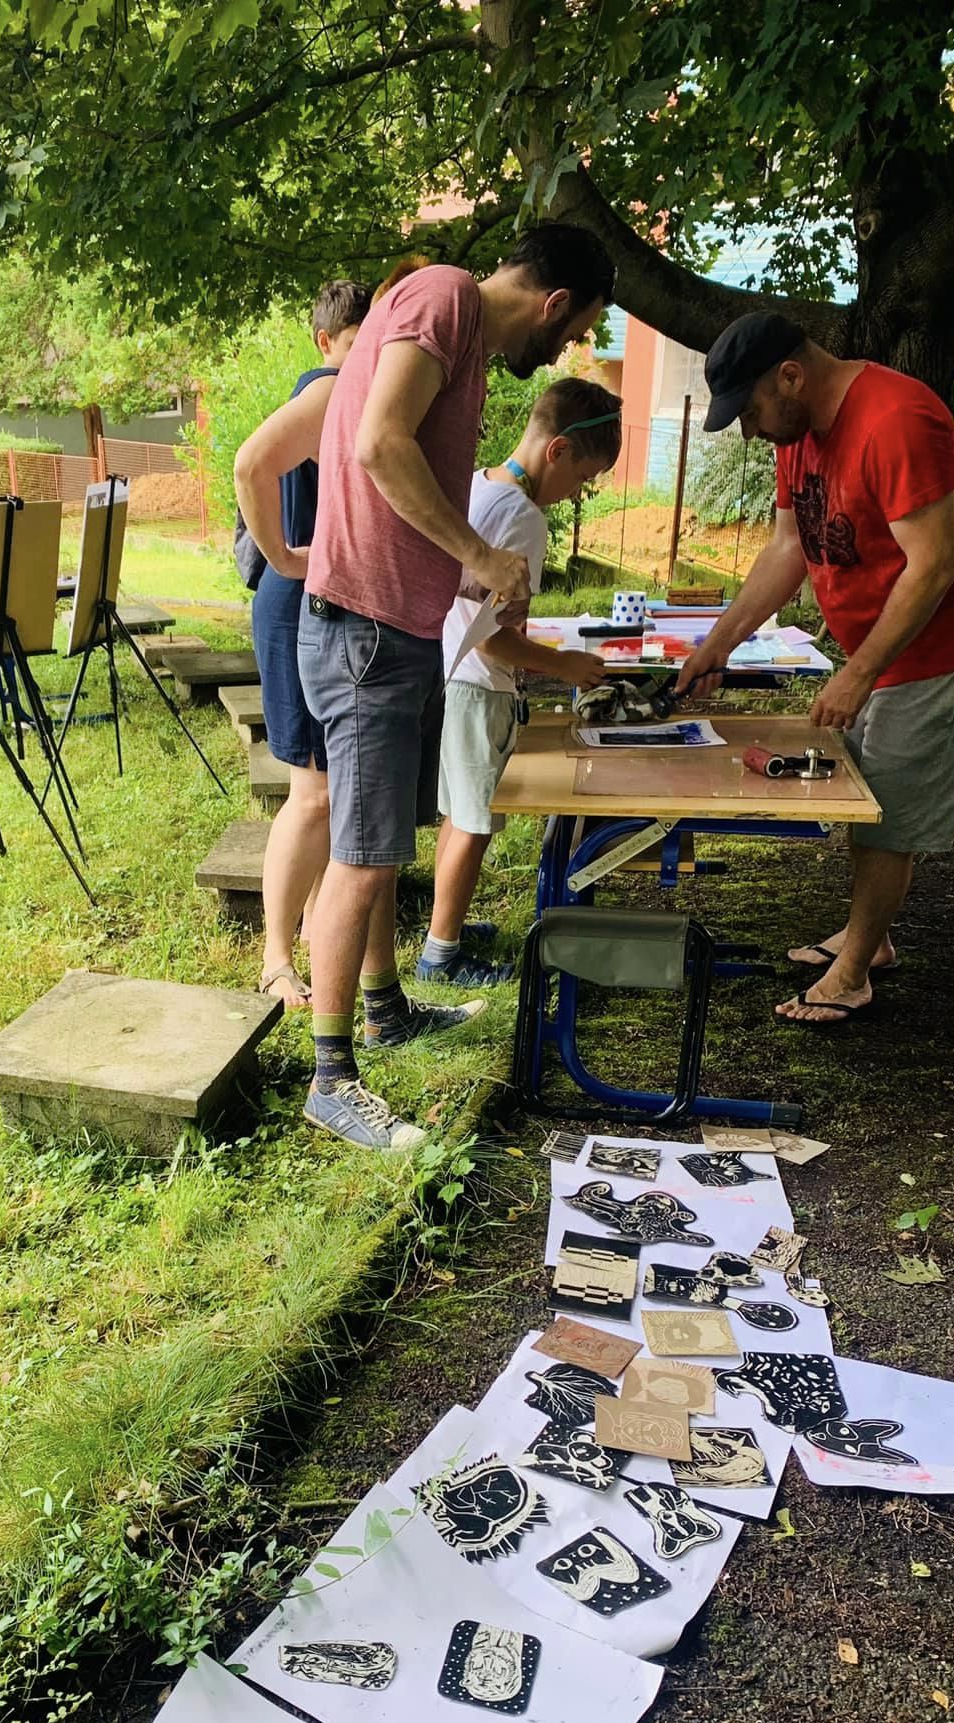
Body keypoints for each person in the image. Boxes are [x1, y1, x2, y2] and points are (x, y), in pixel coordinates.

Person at [298, 221, 616, 1149]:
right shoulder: (443, 295)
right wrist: (478, 553)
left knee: (381, 844)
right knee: (361, 858)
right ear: (554, 303)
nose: (561, 350)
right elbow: (378, 443)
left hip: (396, 626)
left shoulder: (460, 334)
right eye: (572, 332)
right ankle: (330, 1079)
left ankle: (386, 1010)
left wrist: (460, 571)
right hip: (365, 628)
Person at [679, 313, 954, 1027]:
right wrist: (718, 643)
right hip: (881, 646)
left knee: (886, 812)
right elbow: (788, 548)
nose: (750, 432)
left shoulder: (897, 421)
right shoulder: (798, 433)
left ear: (790, 376)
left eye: (750, 411)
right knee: (868, 798)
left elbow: (936, 566)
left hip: (938, 649)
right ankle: (872, 938)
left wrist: (856, 675)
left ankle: (853, 974)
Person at [418, 378, 623, 988]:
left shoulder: (477, 484)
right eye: (582, 479)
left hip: (448, 676)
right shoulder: (524, 518)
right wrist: (568, 666)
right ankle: (441, 956)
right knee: (475, 824)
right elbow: (494, 638)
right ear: (557, 450)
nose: (577, 494)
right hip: (480, 687)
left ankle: (445, 926)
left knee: (458, 815)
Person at [234, 280, 371, 1009]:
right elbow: (248, 467)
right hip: (296, 607)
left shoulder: (346, 393)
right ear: (325, 342)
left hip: (322, 603)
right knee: (312, 792)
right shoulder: (326, 391)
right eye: (354, 342)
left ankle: (318, 927)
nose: (366, 355)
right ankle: (276, 958)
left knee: (334, 791)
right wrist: (285, 558)